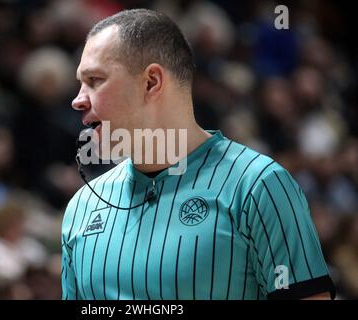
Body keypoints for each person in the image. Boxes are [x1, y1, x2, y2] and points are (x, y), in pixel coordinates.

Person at [61, 9, 336, 300]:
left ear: (151, 82)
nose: (78, 100)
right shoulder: (82, 207)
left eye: (94, 80)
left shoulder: (260, 186)